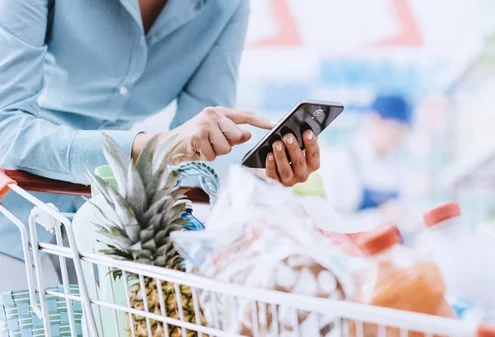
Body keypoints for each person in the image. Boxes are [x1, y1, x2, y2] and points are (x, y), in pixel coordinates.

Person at [0, 0, 320, 290]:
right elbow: (7, 130)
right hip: (13, 225)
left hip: (108, 242)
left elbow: (202, 149)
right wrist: (158, 147)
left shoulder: (226, 7)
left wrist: (253, 177)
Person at [319, 94, 414, 232]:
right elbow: (329, 224)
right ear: (374, 120)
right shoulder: (341, 161)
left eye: (403, 132)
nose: (398, 139)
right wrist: (378, 218)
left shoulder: (396, 165)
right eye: (395, 130)